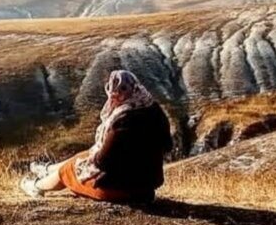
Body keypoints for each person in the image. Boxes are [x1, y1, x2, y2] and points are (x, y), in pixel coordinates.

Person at [20, 69, 173, 203]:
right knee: (84, 155)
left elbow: (103, 162)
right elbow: (168, 145)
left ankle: (36, 186)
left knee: (68, 170)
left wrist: (91, 160)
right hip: (146, 190)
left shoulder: (123, 120)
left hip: (120, 191)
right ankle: (48, 170)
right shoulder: (153, 110)